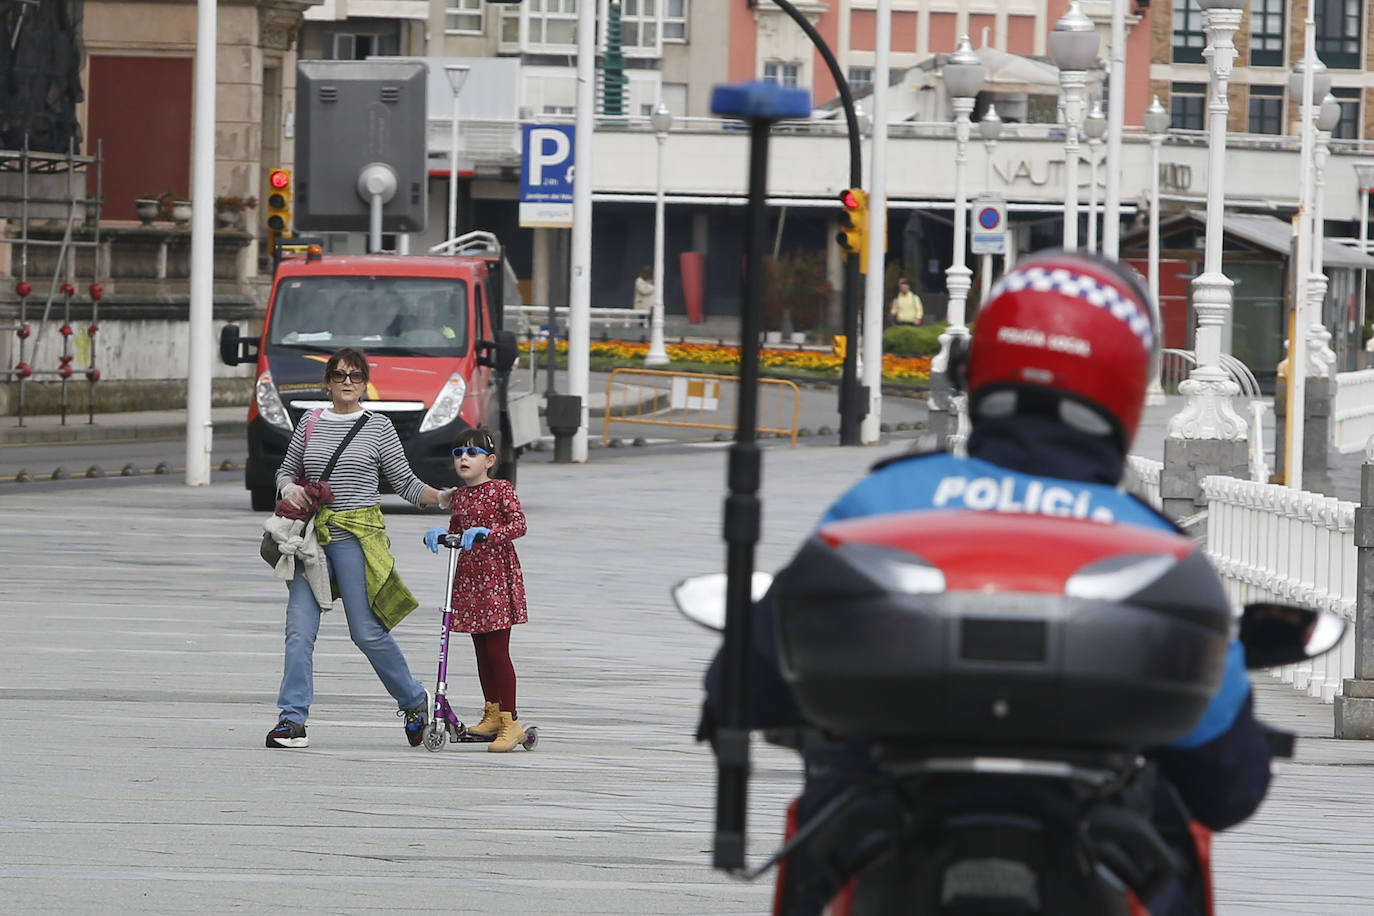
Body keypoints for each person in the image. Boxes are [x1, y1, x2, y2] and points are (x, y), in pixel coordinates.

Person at [701, 250, 1271, 915]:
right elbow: (1231, 784)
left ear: (979, 369)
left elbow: (741, 687)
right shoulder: (1161, 552)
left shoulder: (883, 505)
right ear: (1124, 383)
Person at [266, 346, 456, 749]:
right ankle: (291, 719)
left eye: (354, 375)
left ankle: (414, 701)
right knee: (298, 630)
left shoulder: (378, 426)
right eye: (339, 375)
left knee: (366, 632)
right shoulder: (311, 423)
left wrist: (442, 499)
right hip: (313, 539)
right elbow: (285, 469)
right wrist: (289, 487)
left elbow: (404, 483)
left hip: (357, 536)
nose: (347, 382)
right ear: (328, 382)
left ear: (364, 382)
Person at [422, 427, 531, 753]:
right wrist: (442, 533)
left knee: (498, 651)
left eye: (472, 453)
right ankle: (492, 711)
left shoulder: (501, 489)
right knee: (481, 651)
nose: (464, 459)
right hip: (469, 581)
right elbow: (458, 532)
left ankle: (512, 721)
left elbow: (519, 525)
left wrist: (490, 533)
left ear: (490, 460)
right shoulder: (458, 496)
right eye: (458, 454)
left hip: (497, 580)